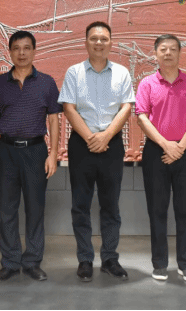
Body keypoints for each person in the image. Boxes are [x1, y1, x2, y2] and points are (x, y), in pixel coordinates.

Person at [58, 21, 136, 282]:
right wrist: (91, 138)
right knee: (80, 205)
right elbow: (69, 108)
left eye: (104, 39)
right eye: (94, 38)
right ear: (86, 42)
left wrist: (105, 137)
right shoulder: (74, 72)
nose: (99, 43)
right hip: (82, 144)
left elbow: (126, 107)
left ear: (111, 43)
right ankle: (85, 259)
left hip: (111, 144)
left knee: (110, 205)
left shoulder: (122, 73)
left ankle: (110, 259)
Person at [0, 31, 62, 283]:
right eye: (16, 48)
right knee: (7, 210)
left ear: (34, 51)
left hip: (36, 151)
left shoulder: (46, 82)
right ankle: (9, 263)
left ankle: (32, 262)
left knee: (35, 209)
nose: (21, 53)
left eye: (27, 48)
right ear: (9, 52)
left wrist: (53, 154)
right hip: (6, 151)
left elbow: (54, 119)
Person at [135, 35, 186, 283]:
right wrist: (166, 145)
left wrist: (180, 147)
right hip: (156, 152)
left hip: (185, 152)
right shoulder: (147, 84)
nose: (168, 53)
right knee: (157, 210)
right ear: (155, 54)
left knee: (184, 210)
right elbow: (142, 118)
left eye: (173, 49)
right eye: (163, 49)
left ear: (179, 53)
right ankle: (159, 264)